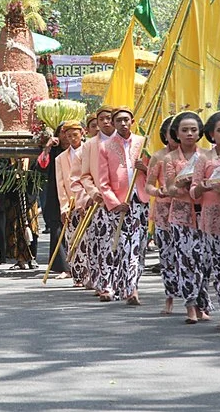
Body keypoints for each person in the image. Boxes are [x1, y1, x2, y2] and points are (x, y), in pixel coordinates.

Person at [190, 111, 220, 329]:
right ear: (211, 134)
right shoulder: (203, 159)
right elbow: (194, 191)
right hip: (213, 217)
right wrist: (205, 185)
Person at [97, 106, 149, 304]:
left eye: (126, 120)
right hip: (120, 203)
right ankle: (125, 288)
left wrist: (145, 168)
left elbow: (155, 175)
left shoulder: (143, 143)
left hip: (141, 200)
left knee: (139, 246)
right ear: (113, 123)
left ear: (132, 121)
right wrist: (115, 203)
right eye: (119, 120)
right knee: (122, 246)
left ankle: (132, 285)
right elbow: (103, 181)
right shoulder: (105, 146)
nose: (123, 123)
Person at [164, 111, 210, 323]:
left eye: (193, 130)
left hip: (206, 214)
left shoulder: (208, 156)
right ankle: (190, 305)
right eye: (185, 130)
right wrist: (182, 183)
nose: (190, 133)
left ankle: (202, 303)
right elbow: (169, 189)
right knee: (185, 260)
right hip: (181, 215)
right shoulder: (170, 159)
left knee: (203, 261)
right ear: (176, 134)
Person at [70, 105, 114, 301]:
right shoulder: (88, 147)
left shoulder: (129, 143)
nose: (105, 123)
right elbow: (80, 178)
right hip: (98, 203)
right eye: (100, 120)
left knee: (120, 245)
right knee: (100, 244)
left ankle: (124, 283)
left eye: (109, 118)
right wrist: (89, 196)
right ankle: (103, 283)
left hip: (123, 203)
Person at [145, 116, 177, 314]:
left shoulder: (198, 156)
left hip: (189, 210)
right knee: (167, 255)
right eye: (172, 132)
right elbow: (149, 184)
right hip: (164, 210)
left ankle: (196, 302)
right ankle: (170, 297)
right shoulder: (158, 157)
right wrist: (158, 192)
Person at [37, 124, 70, 278]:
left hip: (76, 192)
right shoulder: (54, 151)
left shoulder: (81, 149)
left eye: (69, 132)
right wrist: (48, 147)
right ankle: (63, 266)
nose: (65, 136)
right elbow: (41, 166)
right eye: (62, 132)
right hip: (56, 192)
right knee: (57, 229)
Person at [56, 121, 86, 284]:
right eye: (68, 136)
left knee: (89, 239)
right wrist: (64, 207)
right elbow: (60, 184)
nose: (72, 139)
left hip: (88, 201)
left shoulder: (90, 151)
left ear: (82, 133)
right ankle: (78, 274)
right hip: (72, 203)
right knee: (73, 240)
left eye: (75, 135)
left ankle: (92, 273)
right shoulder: (61, 158)